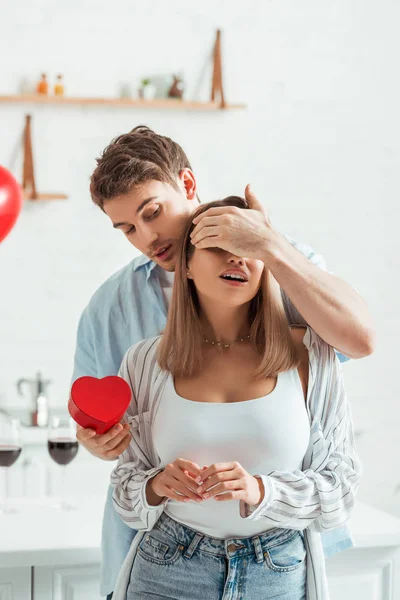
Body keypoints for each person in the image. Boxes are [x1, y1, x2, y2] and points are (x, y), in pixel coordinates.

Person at [72, 126, 374, 599]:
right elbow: (107, 439)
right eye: (128, 228)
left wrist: (271, 247)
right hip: (156, 555)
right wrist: (100, 440)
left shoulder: (275, 266)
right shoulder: (112, 307)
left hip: (280, 553)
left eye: (153, 212)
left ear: (187, 185)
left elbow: (361, 340)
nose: (147, 236)